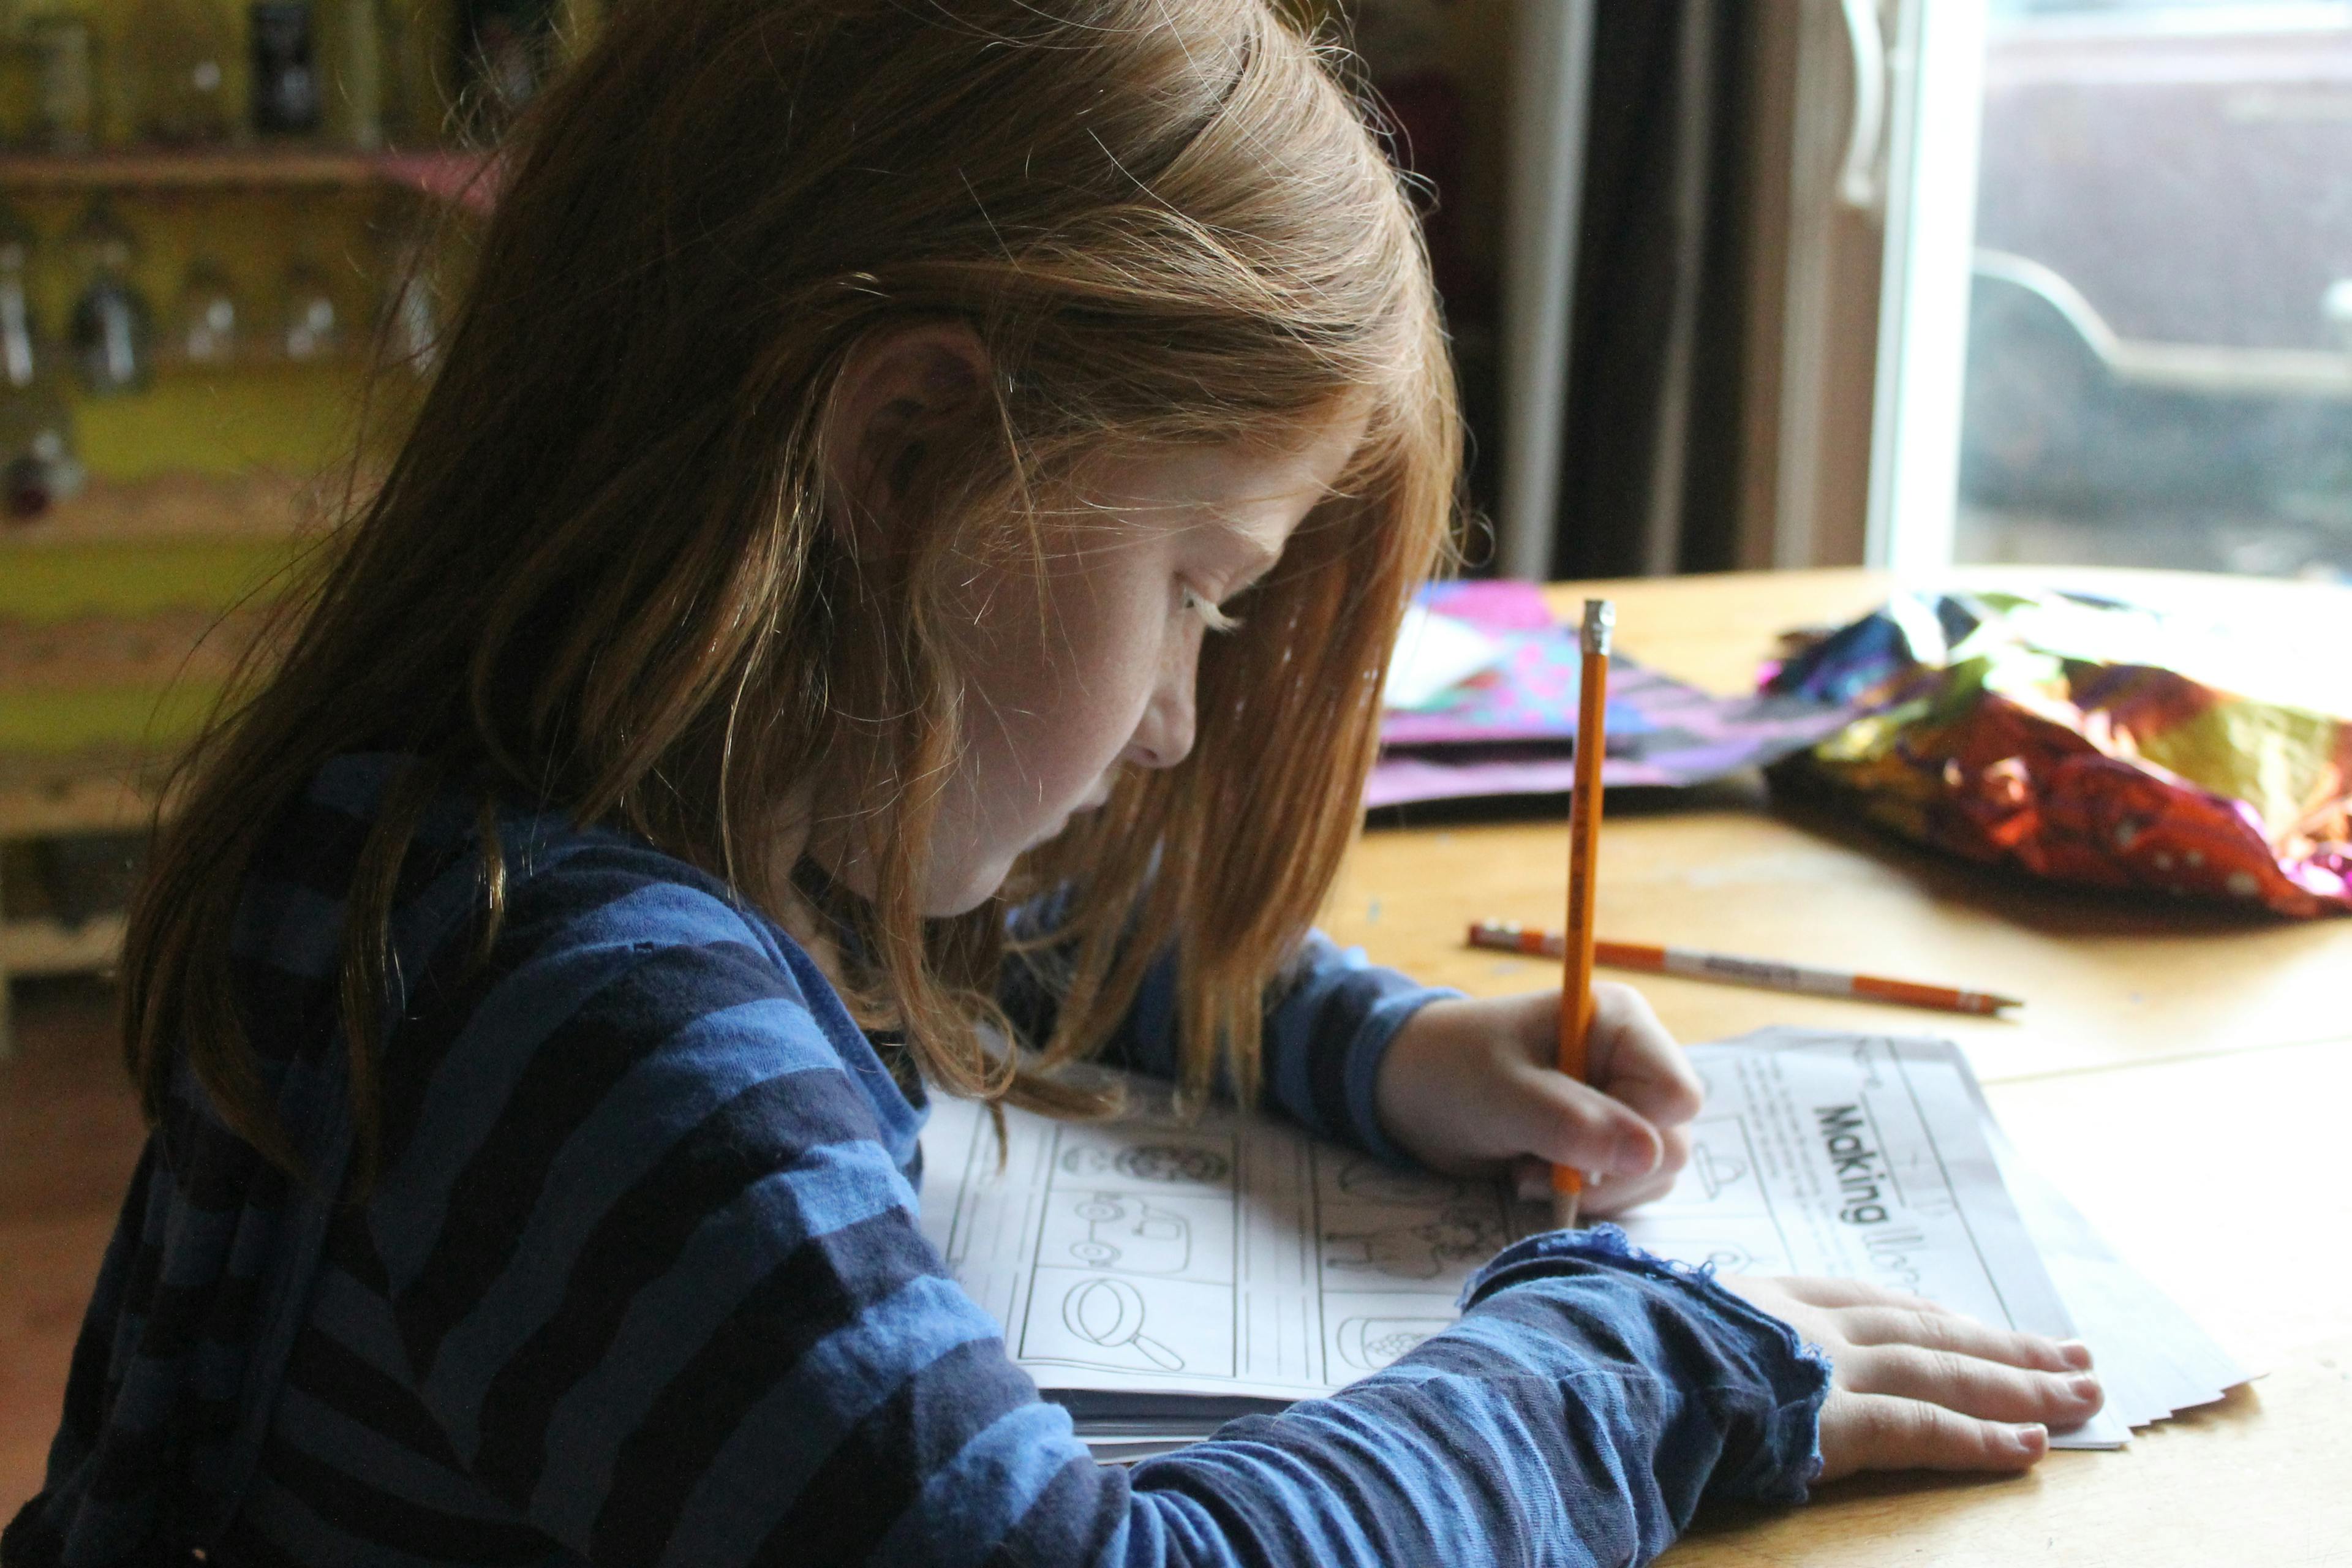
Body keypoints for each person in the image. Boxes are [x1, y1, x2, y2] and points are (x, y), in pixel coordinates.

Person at [3, 3, 2103, 1565]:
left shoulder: (565, 806)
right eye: (1199, 589)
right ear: (906, 457)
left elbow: (995, 933)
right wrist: (1634, 1364)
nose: (1182, 717)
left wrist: (1383, 1047)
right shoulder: (590, 1023)